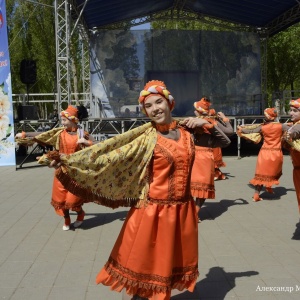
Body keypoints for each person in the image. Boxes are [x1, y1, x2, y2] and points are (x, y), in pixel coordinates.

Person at [47, 80, 231, 300]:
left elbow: (225, 140)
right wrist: (66, 162)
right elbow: (112, 158)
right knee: (144, 276)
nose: (155, 109)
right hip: (152, 213)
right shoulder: (147, 138)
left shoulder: (188, 133)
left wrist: (206, 123)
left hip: (182, 212)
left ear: (169, 103)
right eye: (149, 106)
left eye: (158, 102)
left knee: (169, 270)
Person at [15, 105, 94, 230]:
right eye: (62, 120)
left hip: (75, 172)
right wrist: (25, 134)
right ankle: (67, 220)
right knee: (61, 200)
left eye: (64, 120)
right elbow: (42, 135)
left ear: (73, 120)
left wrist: (87, 142)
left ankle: (80, 213)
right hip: (61, 171)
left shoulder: (82, 134)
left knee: (73, 201)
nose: (62, 123)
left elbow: (96, 147)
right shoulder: (60, 133)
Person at [191, 98, 231, 221]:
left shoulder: (191, 122)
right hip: (206, 156)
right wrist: (224, 119)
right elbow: (229, 133)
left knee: (189, 186)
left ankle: (190, 213)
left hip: (192, 154)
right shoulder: (212, 122)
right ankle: (195, 213)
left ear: (198, 111)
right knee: (203, 187)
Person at [237, 107, 284, 202]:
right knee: (275, 172)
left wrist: (240, 129)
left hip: (264, 153)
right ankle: (269, 186)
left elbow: (250, 131)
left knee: (261, 175)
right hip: (276, 153)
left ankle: (256, 195)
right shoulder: (281, 126)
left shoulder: (263, 127)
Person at [282, 99, 300, 213]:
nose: (291, 113)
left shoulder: (296, 126)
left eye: (295, 111)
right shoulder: (292, 125)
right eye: (291, 110)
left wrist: (291, 133)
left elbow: (297, 131)